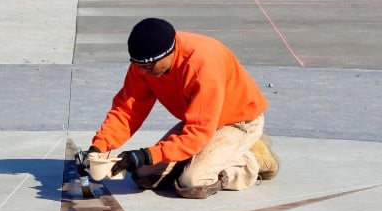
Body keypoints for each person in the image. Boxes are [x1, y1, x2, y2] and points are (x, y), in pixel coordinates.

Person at [78, 17, 279, 199]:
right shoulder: (145, 63)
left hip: (238, 122)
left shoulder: (203, 65)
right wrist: (97, 149)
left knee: (192, 182)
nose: (142, 72)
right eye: (138, 66)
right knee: (143, 175)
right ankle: (202, 157)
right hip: (200, 121)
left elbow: (198, 133)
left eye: (148, 67)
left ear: (170, 53)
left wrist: (146, 154)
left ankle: (254, 157)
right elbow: (127, 110)